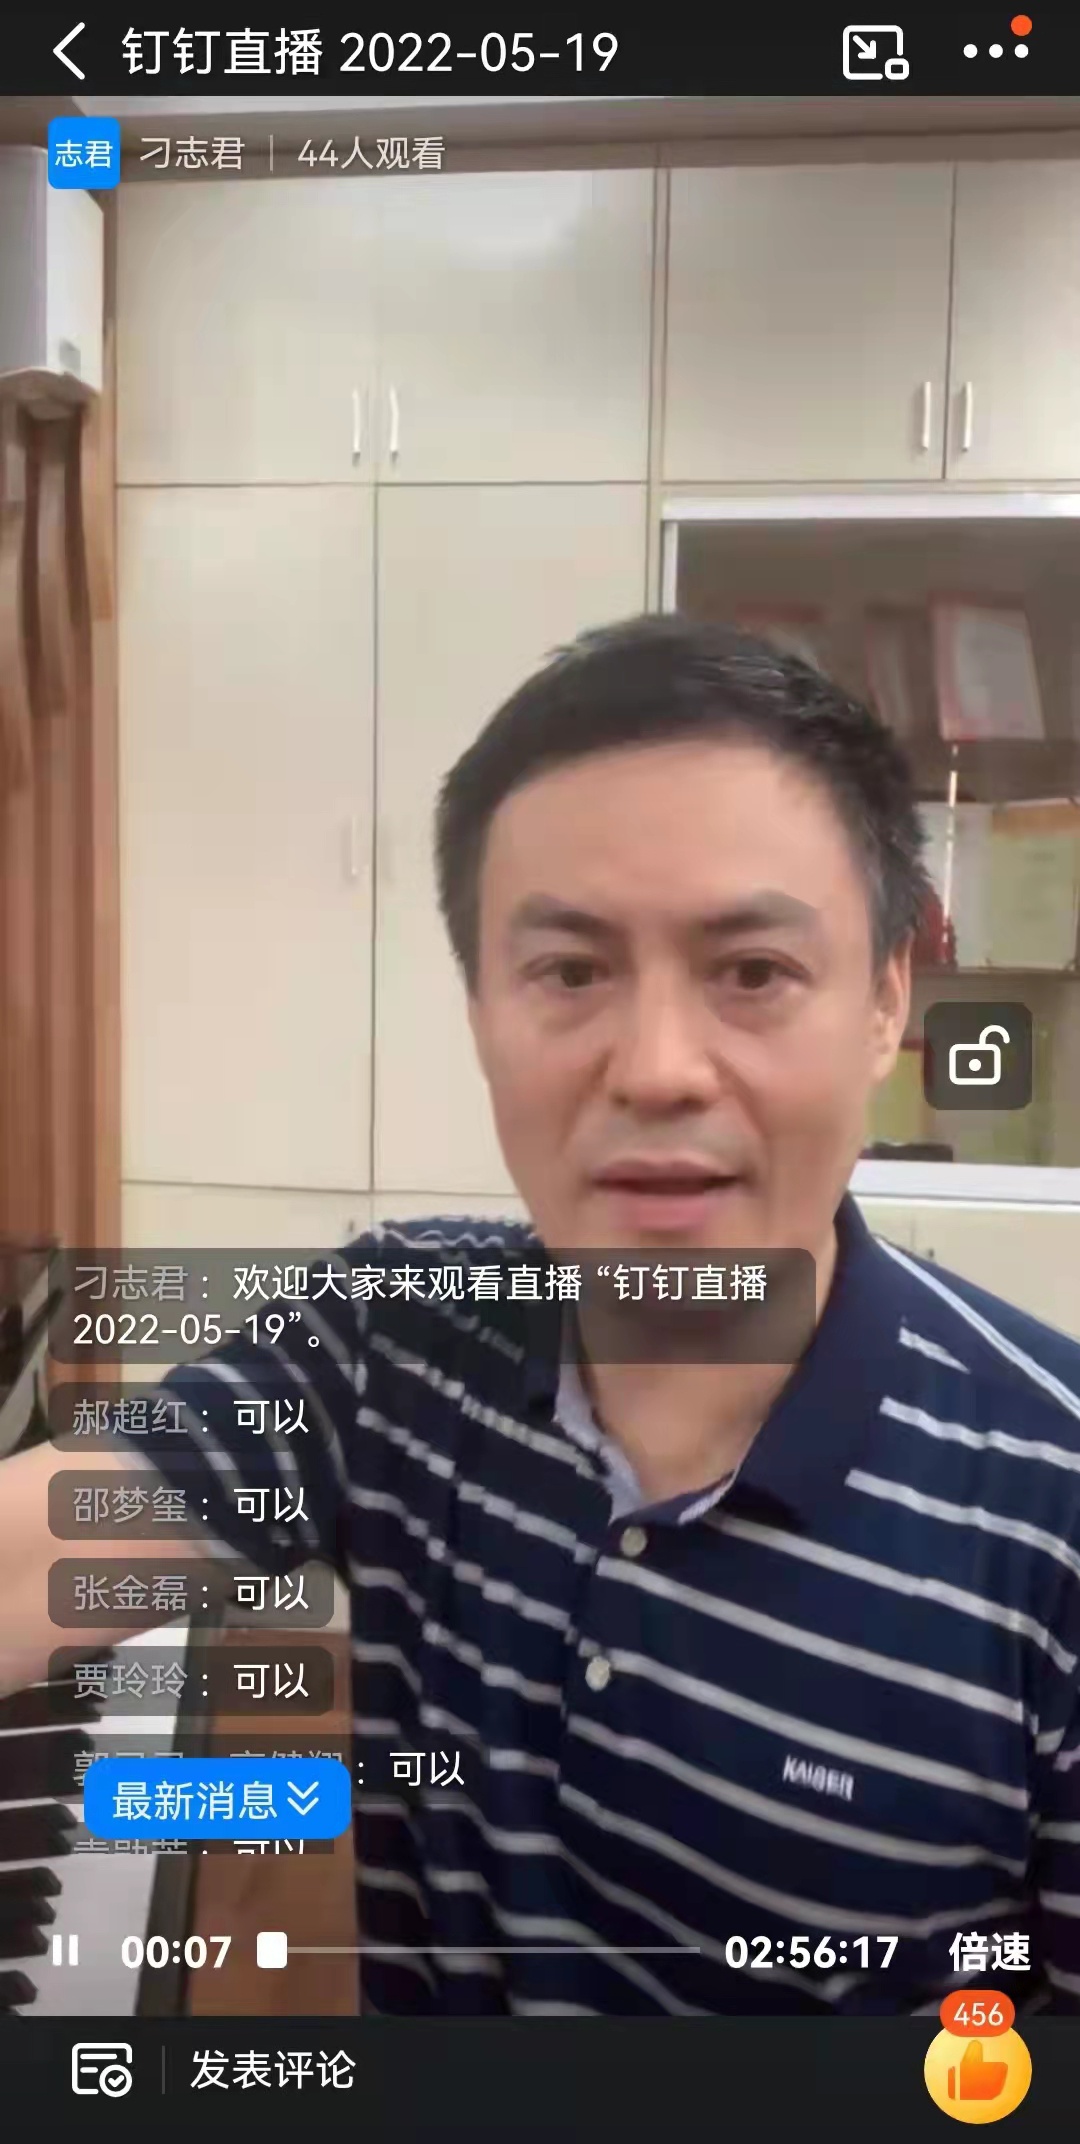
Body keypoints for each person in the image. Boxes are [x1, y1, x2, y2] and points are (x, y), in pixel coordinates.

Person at [3, 614, 1080, 2016]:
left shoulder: (1053, 1507)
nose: (658, 1069)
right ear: (480, 1010)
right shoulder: (393, 1339)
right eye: (571, 972)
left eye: (753, 973)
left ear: (886, 1003)